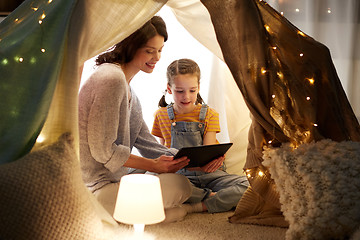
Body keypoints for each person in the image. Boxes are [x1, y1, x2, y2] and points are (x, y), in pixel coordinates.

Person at [78, 16, 193, 223]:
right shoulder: (110, 80)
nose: (157, 57)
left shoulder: (129, 89)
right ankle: (143, 215)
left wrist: (190, 159)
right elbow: (103, 151)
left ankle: (143, 215)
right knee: (180, 187)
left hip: (117, 177)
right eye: (149, 51)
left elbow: (146, 141)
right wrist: (154, 166)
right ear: (130, 46)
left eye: (160, 50)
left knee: (182, 182)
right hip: (95, 189)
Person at [151, 58, 249, 214]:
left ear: (198, 88)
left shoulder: (210, 114)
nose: (186, 97)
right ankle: (207, 196)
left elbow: (207, 152)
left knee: (250, 186)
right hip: (181, 177)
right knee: (150, 183)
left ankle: (197, 205)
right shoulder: (161, 115)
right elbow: (161, 151)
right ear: (169, 89)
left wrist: (214, 161)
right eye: (180, 91)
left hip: (210, 174)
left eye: (192, 90)